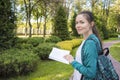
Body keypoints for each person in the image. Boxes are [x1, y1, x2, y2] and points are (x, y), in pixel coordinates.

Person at [64, 11, 103, 80]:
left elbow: (90, 73)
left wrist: (73, 62)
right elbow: (85, 60)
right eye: (76, 23)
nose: (78, 26)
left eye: (82, 22)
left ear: (91, 24)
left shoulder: (90, 43)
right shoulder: (86, 40)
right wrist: (72, 58)